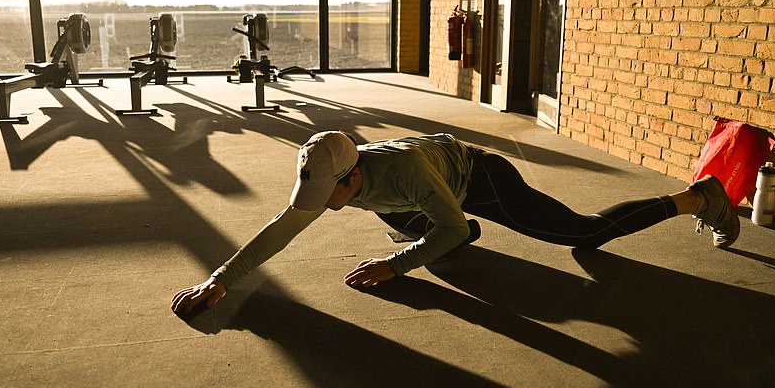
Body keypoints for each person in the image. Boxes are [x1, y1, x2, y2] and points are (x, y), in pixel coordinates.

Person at [171, 131, 738, 317]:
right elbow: (282, 227)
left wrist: (396, 265)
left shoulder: (406, 171)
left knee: (582, 239)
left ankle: (696, 197)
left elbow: (440, 228)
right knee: (430, 236)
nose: (322, 204)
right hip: (421, 199)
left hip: (479, 179)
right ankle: (450, 227)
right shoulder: (334, 171)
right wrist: (220, 277)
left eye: (330, 196)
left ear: (351, 179)